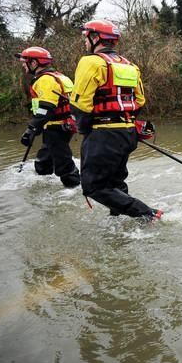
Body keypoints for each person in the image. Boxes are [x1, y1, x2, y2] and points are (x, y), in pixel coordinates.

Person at [70, 20, 162, 220]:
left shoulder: (90, 62)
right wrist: (126, 124)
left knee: (93, 187)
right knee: (115, 183)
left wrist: (85, 130)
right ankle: (118, 221)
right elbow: (139, 101)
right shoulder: (130, 66)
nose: (85, 42)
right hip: (127, 134)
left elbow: (80, 104)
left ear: (95, 38)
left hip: (103, 135)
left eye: (86, 38)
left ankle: (148, 215)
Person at [16, 46, 81, 187]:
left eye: (25, 62)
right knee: (44, 159)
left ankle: (74, 187)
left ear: (34, 63)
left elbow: (46, 108)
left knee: (63, 162)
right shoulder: (60, 76)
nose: (23, 65)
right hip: (64, 124)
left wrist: (31, 129)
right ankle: (44, 180)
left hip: (56, 126)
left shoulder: (45, 80)